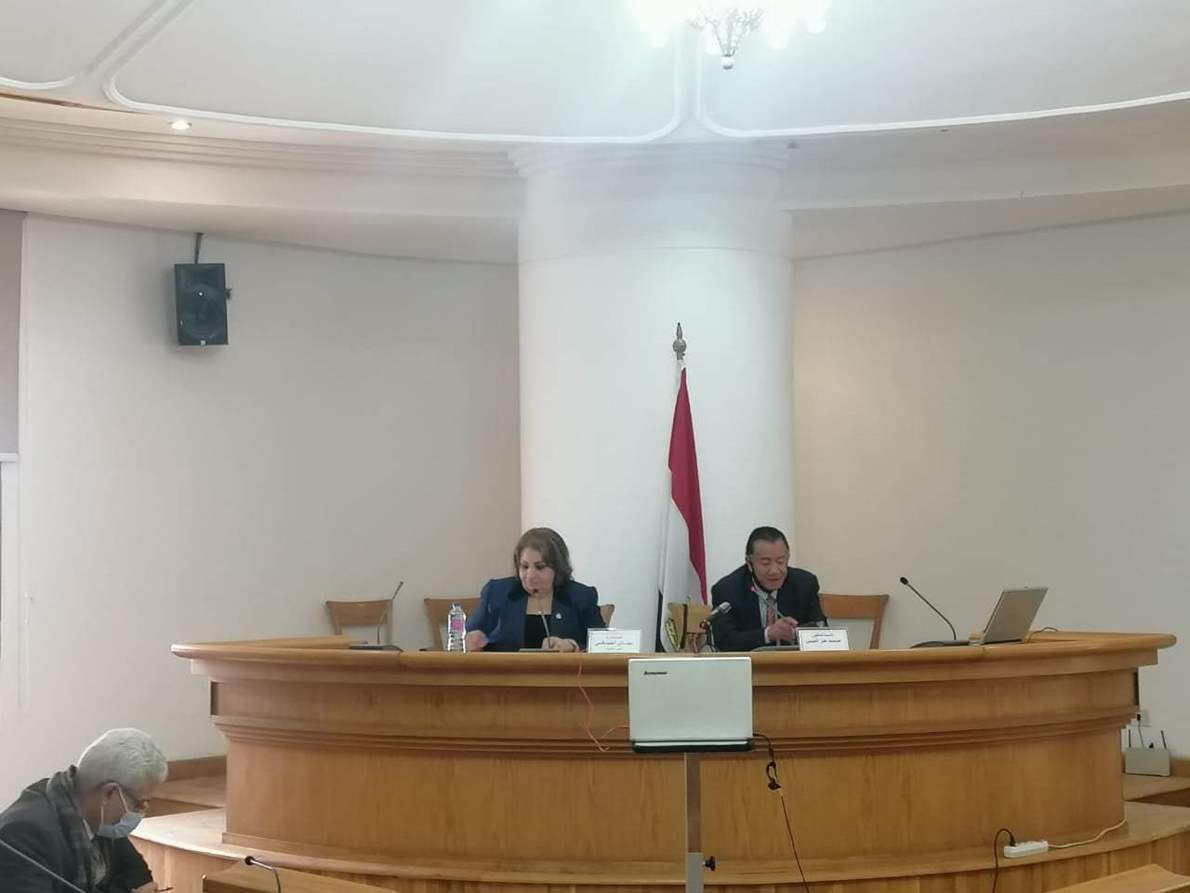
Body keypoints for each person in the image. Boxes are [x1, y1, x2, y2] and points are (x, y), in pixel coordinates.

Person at [0, 728, 168, 893]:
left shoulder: (101, 820)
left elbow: (139, 877)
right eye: (140, 803)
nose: (141, 811)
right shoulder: (22, 834)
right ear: (109, 793)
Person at [465, 527, 605, 652]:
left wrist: (572, 645)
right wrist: (471, 640)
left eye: (540, 567)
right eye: (524, 566)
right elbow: (469, 634)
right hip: (505, 672)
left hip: (563, 672)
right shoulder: (496, 593)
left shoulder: (581, 597)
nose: (530, 575)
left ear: (558, 568)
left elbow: (603, 645)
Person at [709, 526, 825, 651]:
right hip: (750, 662)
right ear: (749, 563)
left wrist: (797, 633)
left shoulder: (805, 584)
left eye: (780, 561)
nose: (774, 571)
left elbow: (821, 631)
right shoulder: (727, 590)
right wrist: (768, 634)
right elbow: (725, 641)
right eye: (766, 563)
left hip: (794, 662)